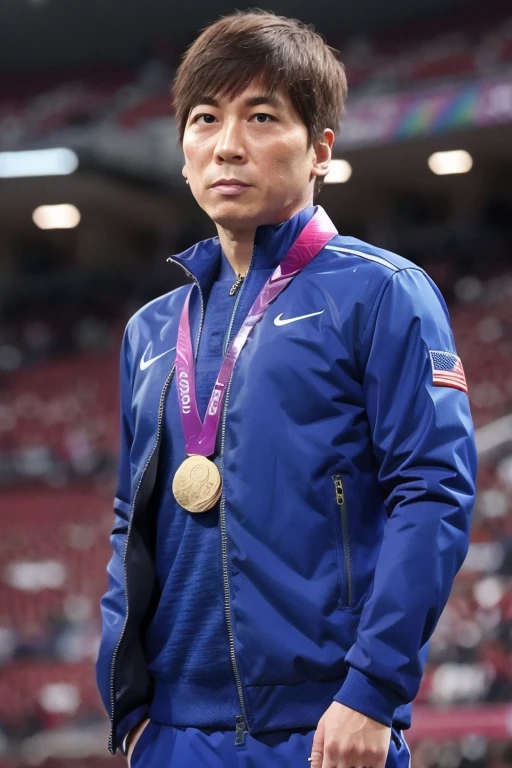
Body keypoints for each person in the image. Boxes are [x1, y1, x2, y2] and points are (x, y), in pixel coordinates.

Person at [96, 10, 477, 768]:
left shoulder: (381, 293)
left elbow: (432, 493)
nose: (227, 144)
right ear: (182, 153)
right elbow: (125, 522)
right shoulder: (149, 331)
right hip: (170, 733)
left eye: (261, 116)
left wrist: (372, 690)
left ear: (320, 151)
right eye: (205, 119)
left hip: (322, 730)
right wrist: (131, 708)